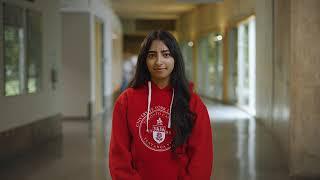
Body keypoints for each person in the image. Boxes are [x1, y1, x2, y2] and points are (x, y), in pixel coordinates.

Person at [109, 30, 213, 180]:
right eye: (152, 55)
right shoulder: (126, 101)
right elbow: (118, 156)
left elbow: (202, 157)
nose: (159, 61)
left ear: (175, 58)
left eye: (166, 54)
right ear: (144, 60)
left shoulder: (193, 103)